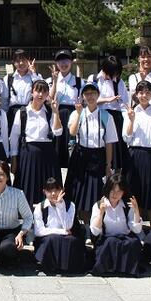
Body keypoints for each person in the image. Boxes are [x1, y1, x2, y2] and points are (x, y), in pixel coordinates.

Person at [66, 81, 118, 223]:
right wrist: (78, 113)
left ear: (98, 95)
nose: (90, 96)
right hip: (80, 156)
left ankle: (95, 224)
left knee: (95, 192)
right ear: (82, 96)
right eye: (87, 94)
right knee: (79, 191)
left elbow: (109, 142)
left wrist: (108, 164)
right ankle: (79, 223)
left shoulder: (106, 116)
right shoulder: (77, 113)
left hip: (98, 156)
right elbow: (72, 132)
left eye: (93, 93)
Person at [123, 80, 151, 227]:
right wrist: (131, 120)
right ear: (136, 94)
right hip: (134, 155)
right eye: (141, 92)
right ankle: (135, 226)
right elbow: (126, 137)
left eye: (147, 92)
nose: (144, 95)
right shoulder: (131, 111)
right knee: (133, 190)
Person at [9, 80, 63, 205]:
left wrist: (56, 112)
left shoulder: (50, 111)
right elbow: (14, 136)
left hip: (48, 154)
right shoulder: (22, 112)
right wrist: (14, 158)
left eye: (44, 92)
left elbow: (58, 132)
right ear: (32, 92)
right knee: (27, 188)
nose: (40, 94)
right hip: (28, 153)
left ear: (47, 94)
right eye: (38, 91)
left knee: (50, 188)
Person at [89, 173, 144, 277]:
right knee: (111, 242)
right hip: (107, 238)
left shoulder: (127, 206)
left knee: (133, 243)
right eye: (113, 190)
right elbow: (95, 231)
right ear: (108, 190)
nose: (115, 194)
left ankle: (127, 269)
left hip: (125, 237)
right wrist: (101, 213)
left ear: (123, 192)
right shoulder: (99, 205)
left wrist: (136, 211)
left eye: (119, 191)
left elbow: (136, 230)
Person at [33, 178, 86, 273]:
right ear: (44, 192)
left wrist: (60, 206)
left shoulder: (70, 205)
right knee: (52, 239)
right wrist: (61, 232)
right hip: (48, 236)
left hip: (67, 235)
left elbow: (67, 226)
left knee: (72, 241)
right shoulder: (40, 207)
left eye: (56, 190)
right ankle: (50, 266)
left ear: (62, 190)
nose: (53, 193)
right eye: (49, 191)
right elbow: (38, 231)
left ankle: (69, 267)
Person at [89, 55, 130, 171]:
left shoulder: (119, 82)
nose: (113, 77)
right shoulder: (94, 79)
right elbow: (88, 100)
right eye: (111, 74)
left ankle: (116, 177)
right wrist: (108, 100)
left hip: (116, 118)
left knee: (117, 152)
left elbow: (124, 104)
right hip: (98, 116)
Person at [48, 49, 82, 171]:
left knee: (71, 144)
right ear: (56, 64)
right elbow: (49, 99)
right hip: (56, 113)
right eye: (60, 61)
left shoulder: (79, 81)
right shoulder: (50, 80)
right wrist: (54, 82)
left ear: (71, 62)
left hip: (73, 114)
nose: (63, 63)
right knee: (56, 144)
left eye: (66, 60)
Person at [3, 49, 42, 132]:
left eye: (24, 60)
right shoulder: (8, 78)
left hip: (31, 111)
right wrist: (4, 116)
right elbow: (4, 99)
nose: (21, 63)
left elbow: (41, 91)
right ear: (14, 63)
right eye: (17, 61)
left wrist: (33, 74)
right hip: (13, 112)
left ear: (29, 60)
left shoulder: (36, 76)